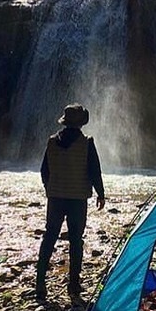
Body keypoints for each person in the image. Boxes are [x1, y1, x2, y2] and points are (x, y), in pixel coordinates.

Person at [35, 103, 105, 301]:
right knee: (76, 240)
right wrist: (101, 193)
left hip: (55, 197)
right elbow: (94, 171)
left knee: (49, 236)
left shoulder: (51, 142)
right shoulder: (87, 143)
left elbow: (44, 171)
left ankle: (40, 283)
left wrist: (50, 187)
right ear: (81, 123)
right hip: (78, 198)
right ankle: (73, 285)